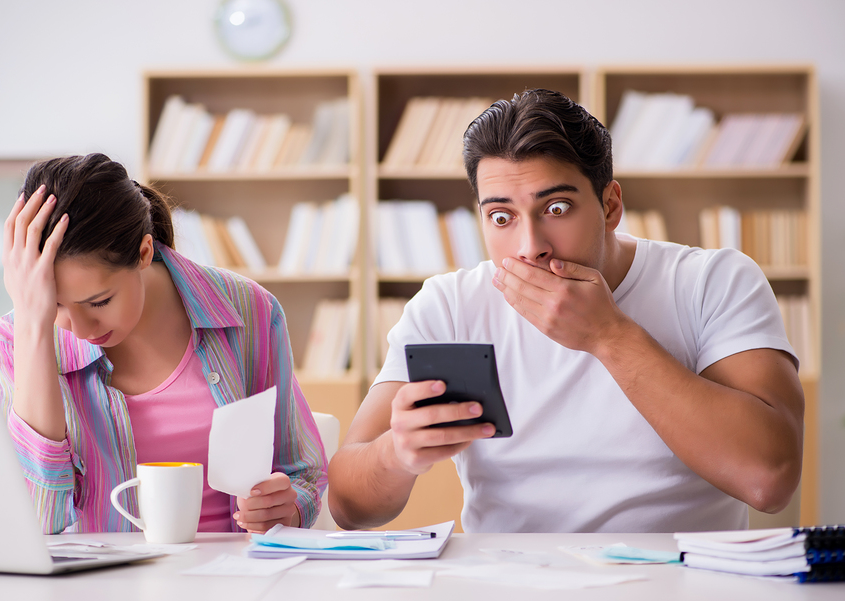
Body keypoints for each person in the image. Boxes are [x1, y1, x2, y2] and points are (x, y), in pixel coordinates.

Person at [328, 89, 804, 533]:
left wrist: (609, 336)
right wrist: (397, 453)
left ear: (610, 205)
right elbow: (348, 507)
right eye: (501, 217)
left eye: (556, 208)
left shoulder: (712, 281)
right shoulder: (449, 305)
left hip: (676, 579)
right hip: (510, 580)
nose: (530, 246)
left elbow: (770, 480)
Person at [0, 153, 326, 535]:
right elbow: (38, 520)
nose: (80, 329)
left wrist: (288, 508)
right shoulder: (12, 342)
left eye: (99, 301)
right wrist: (34, 325)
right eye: (57, 306)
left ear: (144, 252)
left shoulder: (250, 311)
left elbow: (304, 473)